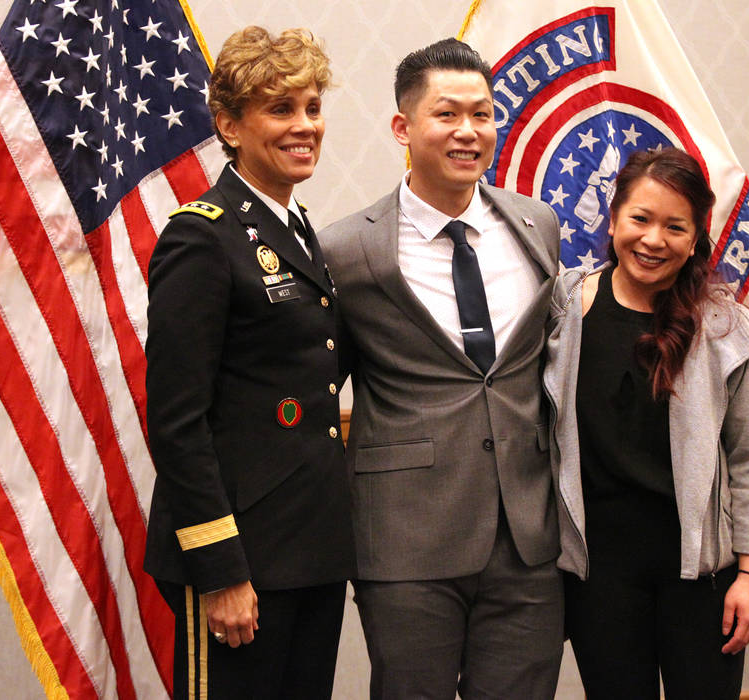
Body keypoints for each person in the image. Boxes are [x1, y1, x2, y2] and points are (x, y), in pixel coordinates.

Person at [319, 38, 564, 700]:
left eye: (482, 114)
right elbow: (316, 394)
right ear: (403, 127)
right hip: (404, 541)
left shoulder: (537, 226)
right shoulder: (346, 249)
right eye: (447, 113)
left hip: (528, 538)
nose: (468, 132)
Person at [142, 26, 354, 699]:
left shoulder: (295, 228)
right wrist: (219, 569)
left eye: (312, 107)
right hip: (242, 560)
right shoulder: (202, 236)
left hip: (310, 552)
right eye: (280, 109)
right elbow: (178, 423)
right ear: (230, 125)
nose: (304, 126)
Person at [545, 147, 749, 699]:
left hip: (701, 578)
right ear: (613, 220)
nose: (654, 240)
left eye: (675, 226)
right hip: (596, 577)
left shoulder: (729, 328)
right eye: (640, 220)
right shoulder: (564, 308)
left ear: (697, 237)